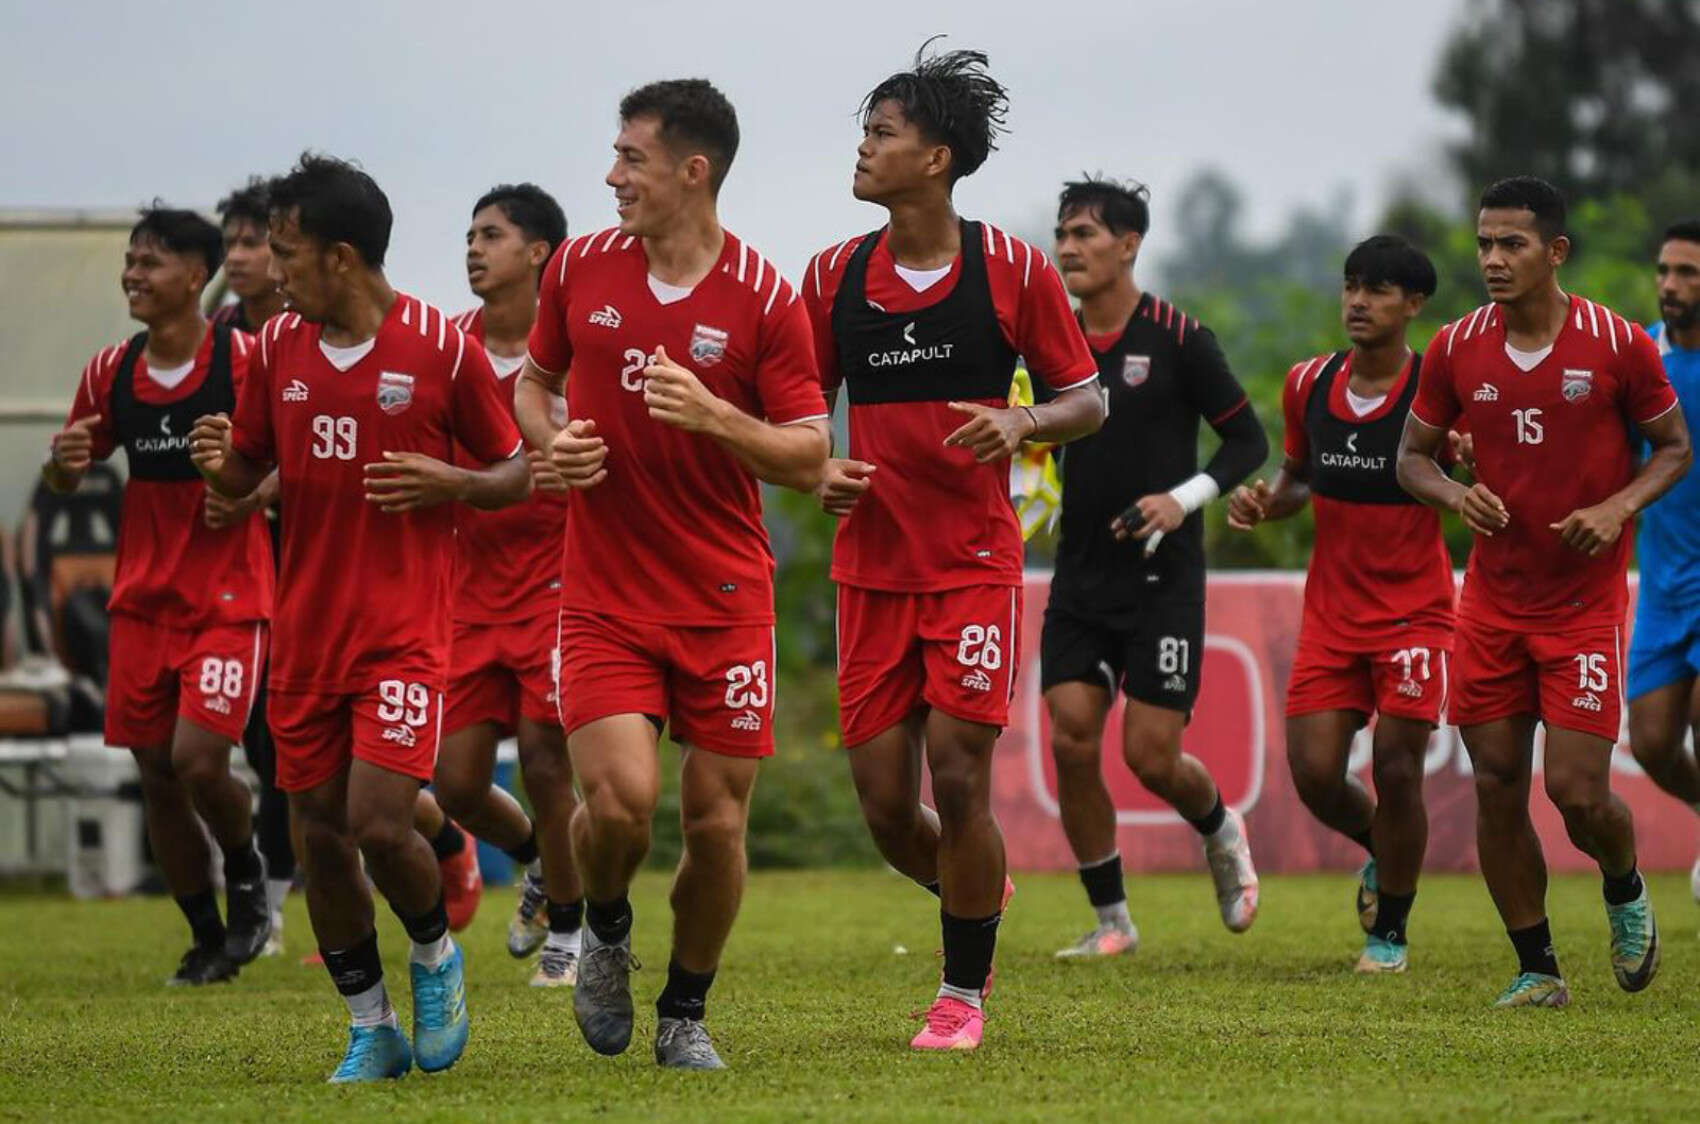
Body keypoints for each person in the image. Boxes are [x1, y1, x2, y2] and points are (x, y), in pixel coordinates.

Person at [190, 153, 530, 1081]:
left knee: (382, 823)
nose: (272, 268)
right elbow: (248, 471)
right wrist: (217, 458)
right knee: (320, 839)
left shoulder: (440, 348)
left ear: (340, 257)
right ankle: (369, 1024)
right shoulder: (277, 352)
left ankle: (432, 956)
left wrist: (451, 480)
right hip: (306, 633)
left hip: (406, 634)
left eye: (286, 251)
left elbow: (514, 472)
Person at [515, 80, 829, 1070]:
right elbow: (533, 383)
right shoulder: (577, 268)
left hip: (725, 599)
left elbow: (809, 453)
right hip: (604, 595)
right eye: (613, 157)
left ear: (692, 172)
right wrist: (550, 442)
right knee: (616, 802)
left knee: (714, 817)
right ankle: (604, 925)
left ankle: (684, 1009)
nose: (612, 177)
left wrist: (714, 418)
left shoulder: (765, 299)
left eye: (631, 160)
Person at [803, 44, 1104, 1052]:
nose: (862, 147)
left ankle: (961, 992)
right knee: (889, 810)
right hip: (869, 572)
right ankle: (976, 889)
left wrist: (1026, 425)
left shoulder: (1010, 268)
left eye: (881, 132)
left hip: (972, 566)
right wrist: (812, 465)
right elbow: (796, 405)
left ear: (934, 157)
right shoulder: (834, 273)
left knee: (959, 777)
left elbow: (1085, 398)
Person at [1396, 176, 1690, 1008]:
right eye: (1484, 243)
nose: (1492, 259)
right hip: (1490, 601)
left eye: (1511, 244)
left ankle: (1625, 886)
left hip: (1583, 606)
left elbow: (1673, 448)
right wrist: (1456, 495)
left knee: (1577, 792)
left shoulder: (1615, 344)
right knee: (1494, 780)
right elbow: (1412, 458)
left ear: (1555, 251)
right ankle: (1538, 968)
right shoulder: (1456, 346)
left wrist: (1616, 507)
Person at [45, 206, 274, 985]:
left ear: (195, 275)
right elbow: (68, 469)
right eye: (130, 260)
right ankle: (206, 934)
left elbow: (287, 461)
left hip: (228, 597)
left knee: (201, 760)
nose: (133, 274)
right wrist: (61, 465)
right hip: (142, 602)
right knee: (155, 772)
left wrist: (246, 497)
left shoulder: (243, 361)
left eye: (152, 261)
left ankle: (247, 878)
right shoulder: (111, 371)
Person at [1040, 178, 1267, 960]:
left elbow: (1248, 444)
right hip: (1079, 577)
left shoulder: (1179, 338)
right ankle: (1112, 920)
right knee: (1071, 739)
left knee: (1150, 758)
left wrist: (1183, 499)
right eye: (1062, 233)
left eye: (1085, 234)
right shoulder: (1051, 344)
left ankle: (1219, 827)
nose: (1068, 247)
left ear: (1129, 244)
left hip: (1162, 580)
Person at [1228, 235, 1452, 973]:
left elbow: (1465, 479)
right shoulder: (1308, 384)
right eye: (1352, 285)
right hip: (1331, 618)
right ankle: (1382, 855)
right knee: (1316, 775)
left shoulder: (1435, 395)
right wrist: (1269, 504)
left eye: (1379, 290)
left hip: (1416, 614)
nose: (1358, 301)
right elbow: (1298, 478)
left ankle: (1389, 932)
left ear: (1413, 305)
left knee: (1395, 767)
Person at [437, 182, 585, 985]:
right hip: (466, 592)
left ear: (538, 253)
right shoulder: (446, 349)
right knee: (457, 781)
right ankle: (536, 859)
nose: (472, 248)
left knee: (544, 754)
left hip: (558, 584)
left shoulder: (570, 356)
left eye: (490, 235)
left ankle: (570, 927)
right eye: (468, 234)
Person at [215, 175, 295, 955]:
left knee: (285, 743)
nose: (237, 257)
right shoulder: (215, 332)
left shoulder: (326, 324)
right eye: (229, 244)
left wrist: (273, 483)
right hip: (236, 564)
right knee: (255, 737)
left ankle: (268, 903)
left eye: (253, 242)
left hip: (310, 556)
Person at [1626, 220, 1700, 898]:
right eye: (1665, 271)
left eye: (1688, 274)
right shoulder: (1641, 359)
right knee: (1650, 743)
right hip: (1661, 588)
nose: (1671, 285)